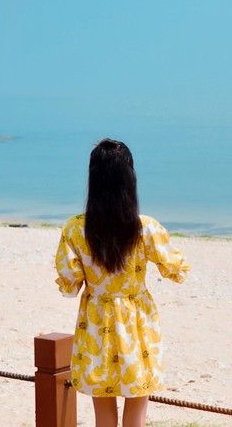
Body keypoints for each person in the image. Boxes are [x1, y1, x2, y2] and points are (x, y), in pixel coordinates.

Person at [54, 138, 191, 427]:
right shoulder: (145, 228)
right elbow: (175, 269)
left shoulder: (75, 228)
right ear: (130, 178)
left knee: (103, 412)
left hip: (96, 321)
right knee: (137, 407)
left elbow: (69, 284)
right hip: (136, 320)